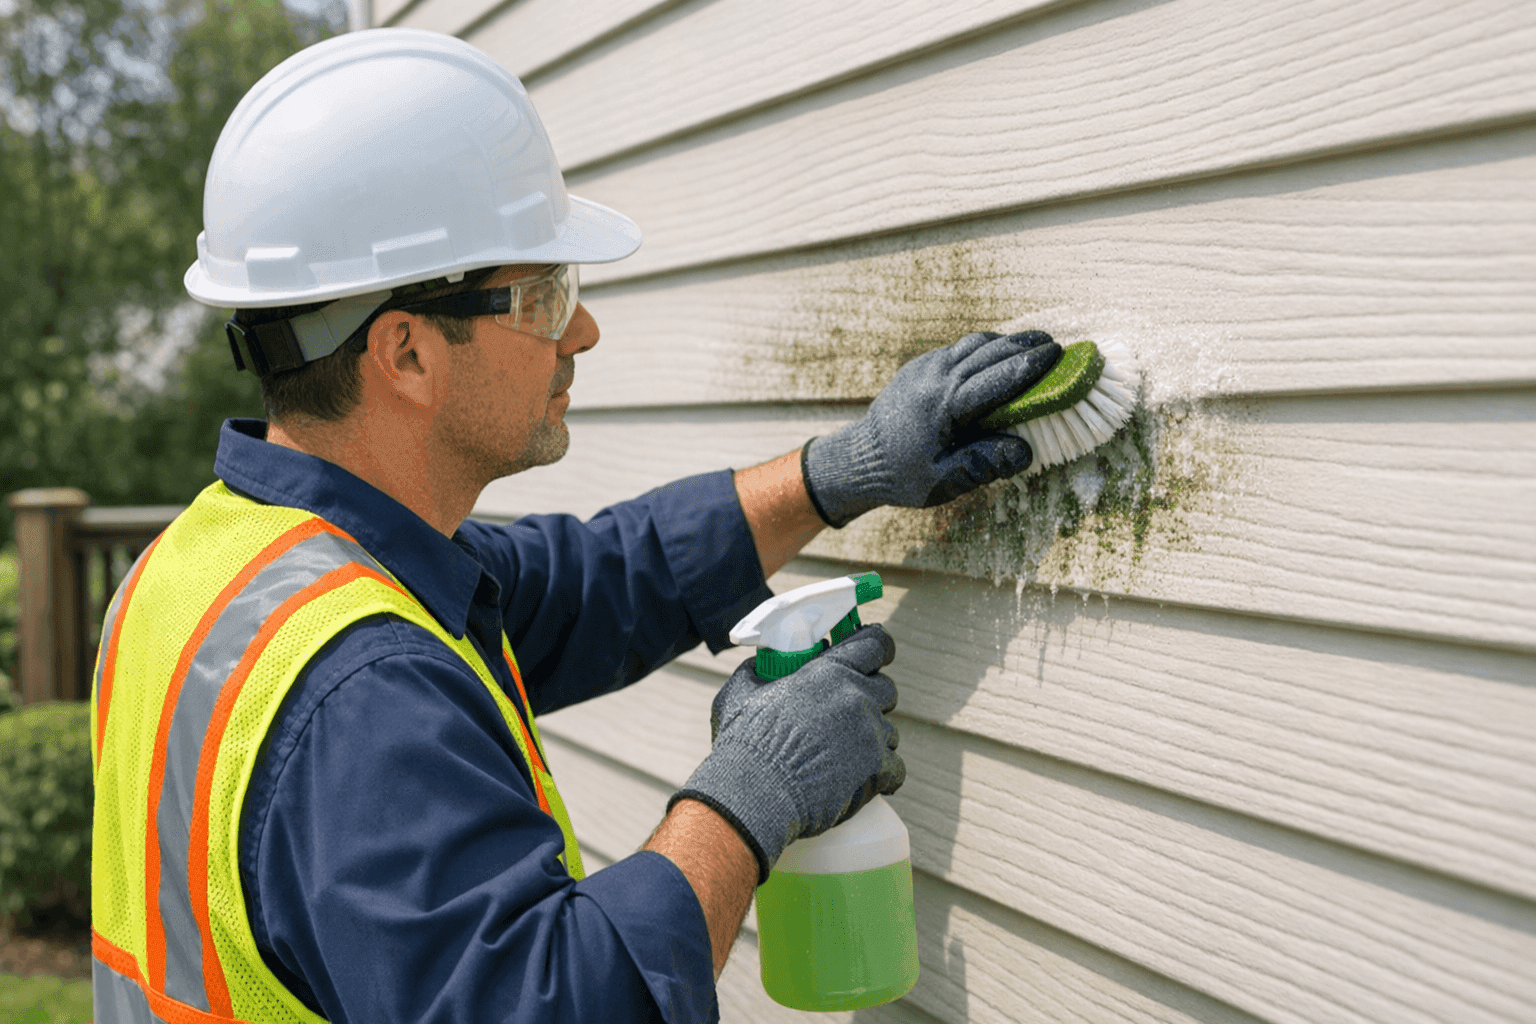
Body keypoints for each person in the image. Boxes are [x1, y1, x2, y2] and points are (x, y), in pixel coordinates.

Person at [88, 28, 1062, 1024]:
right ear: (407, 354)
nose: (581, 330)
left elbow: (595, 576)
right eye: (544, 296)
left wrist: (834, 477)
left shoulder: (220, 565)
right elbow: (548, 1005)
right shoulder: (359, 690)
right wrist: (749, 798)